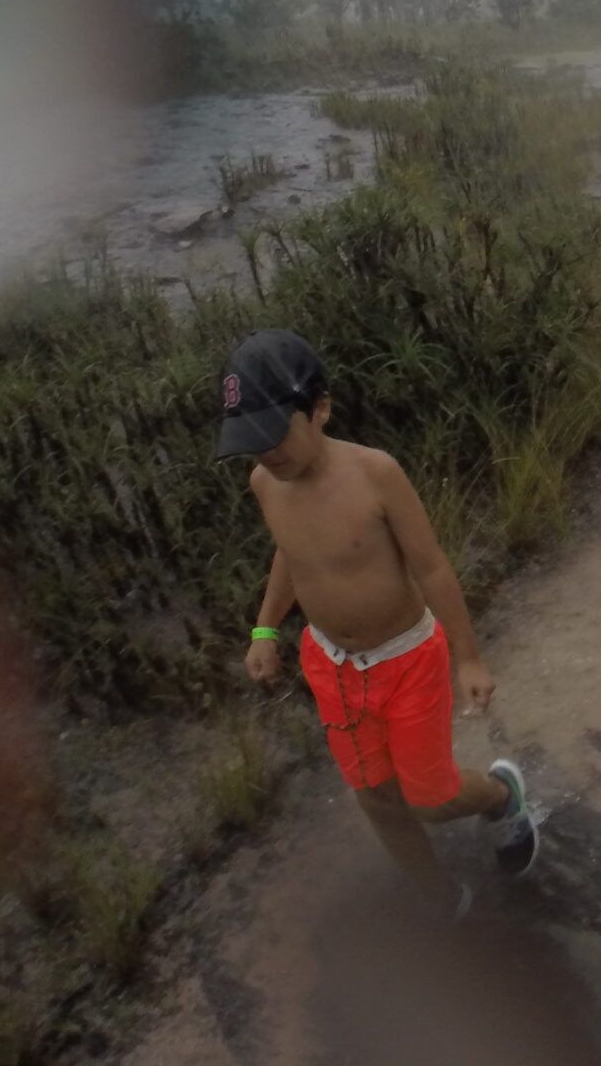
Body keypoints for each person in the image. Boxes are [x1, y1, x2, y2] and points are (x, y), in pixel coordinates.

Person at [226, 330, 539, 914]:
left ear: (320, 409)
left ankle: (501, 795)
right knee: (374, 796)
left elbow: (433, 567)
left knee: (428, 794)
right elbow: (289, 556)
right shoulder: (265, 482)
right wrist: (265, 630)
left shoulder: (375, 475)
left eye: (274, 432)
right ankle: (439, 897)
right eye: (251, 439)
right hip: (332, 668)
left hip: (408, 661)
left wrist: (467, 657)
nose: (266, 452)